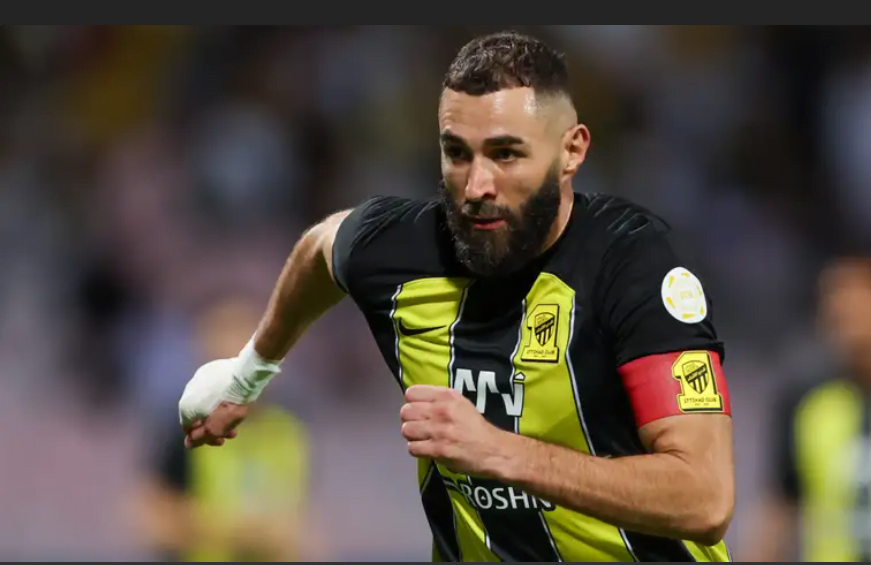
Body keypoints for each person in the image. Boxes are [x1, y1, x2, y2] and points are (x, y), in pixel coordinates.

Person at [178, 31, 735, 562]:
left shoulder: (631, 267)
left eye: (506, 154)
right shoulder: (399, 251)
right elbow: (321, 249)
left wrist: (502, 452)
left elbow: (704, 497)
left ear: (572, 151)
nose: (476, 186)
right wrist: (248, 372)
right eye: (457, 153)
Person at [141, 297, 315, 562]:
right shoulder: (184, 430)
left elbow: (303, 525)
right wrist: (231, 531)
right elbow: (151, 521)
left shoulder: (289, 432)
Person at [743, 258, 871, 562]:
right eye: (831, 300)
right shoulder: (807, 397)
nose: (840, 310)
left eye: (855, 299)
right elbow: (780, 505)